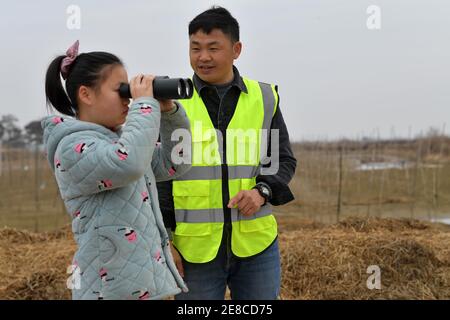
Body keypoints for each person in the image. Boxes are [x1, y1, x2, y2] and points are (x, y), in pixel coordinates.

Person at [157, 6, 297, 300]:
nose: (203, 57)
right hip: (193, 251)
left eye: (213, 48)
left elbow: (282, 160)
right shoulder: (171, 104)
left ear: (236, 49)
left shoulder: (264, 98)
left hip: (256, 247)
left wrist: (262, 191)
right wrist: (164, 240)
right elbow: (158, 180)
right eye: (195, 48)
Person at [42, 40, 191, 300]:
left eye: (129, 91)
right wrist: (145, 104)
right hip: (107, 290)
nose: (128, 99)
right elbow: (129, 162)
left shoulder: (119, 143)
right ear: (86, 94)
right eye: (120, 91)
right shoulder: (72, 148)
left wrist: (170, 113)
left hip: (139, 286)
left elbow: (176, 162)